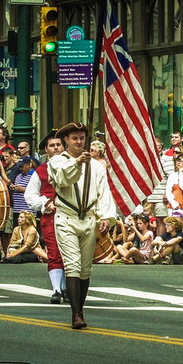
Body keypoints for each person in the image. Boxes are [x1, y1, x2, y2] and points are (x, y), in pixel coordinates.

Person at [48, 122, 117, 329]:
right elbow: (63, 179)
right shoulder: (57, 161)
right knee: (73, 265)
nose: (79, 142)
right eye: (74, 138)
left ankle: (81, 307)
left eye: (81, 138)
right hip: (66, 218)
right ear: (66, 141)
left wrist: (106, 216)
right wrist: (78, 162)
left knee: (86, 269)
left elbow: (103, 191)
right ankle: (76, 314)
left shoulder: (96, 165)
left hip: (88, 218)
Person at [25, 131, 67, 303]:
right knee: (55, 252)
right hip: (51, 217)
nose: (56, 148)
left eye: (58, 144)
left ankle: (67, 288)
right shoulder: (40, 171)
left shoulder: (74, 166)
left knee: (71, 255)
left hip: (72, 216)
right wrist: (44, 203)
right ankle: (57, 289)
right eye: (52, 145)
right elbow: (30, 196)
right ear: (46, 150)